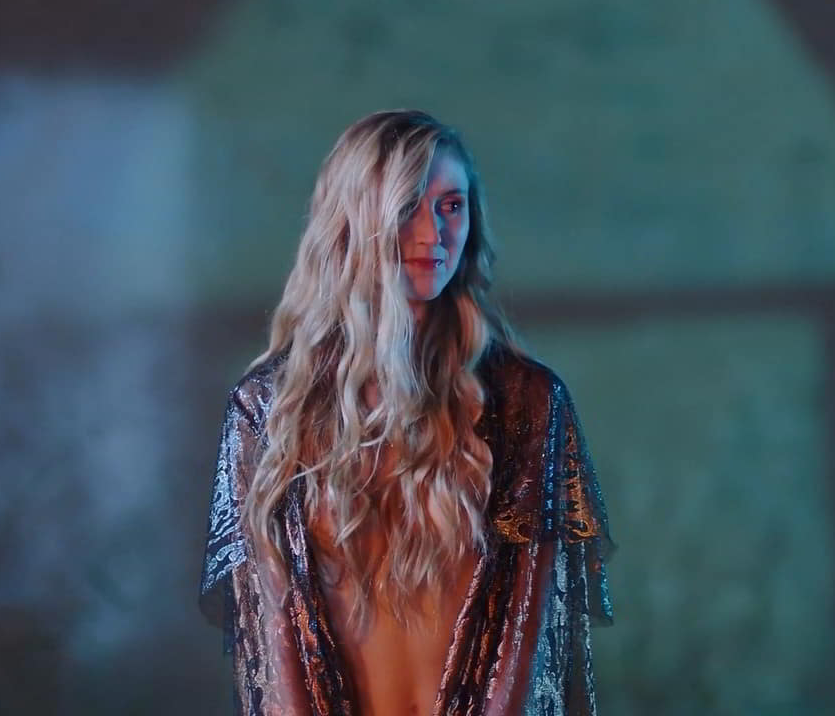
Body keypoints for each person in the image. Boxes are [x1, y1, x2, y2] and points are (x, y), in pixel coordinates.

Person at [197, 110, 614, 716]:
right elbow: (272, 635)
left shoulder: (526, 401)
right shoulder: (270, 407)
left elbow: (528, 624)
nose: (433, 234)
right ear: (354, 219)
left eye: (451, 206)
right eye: (408, 206)